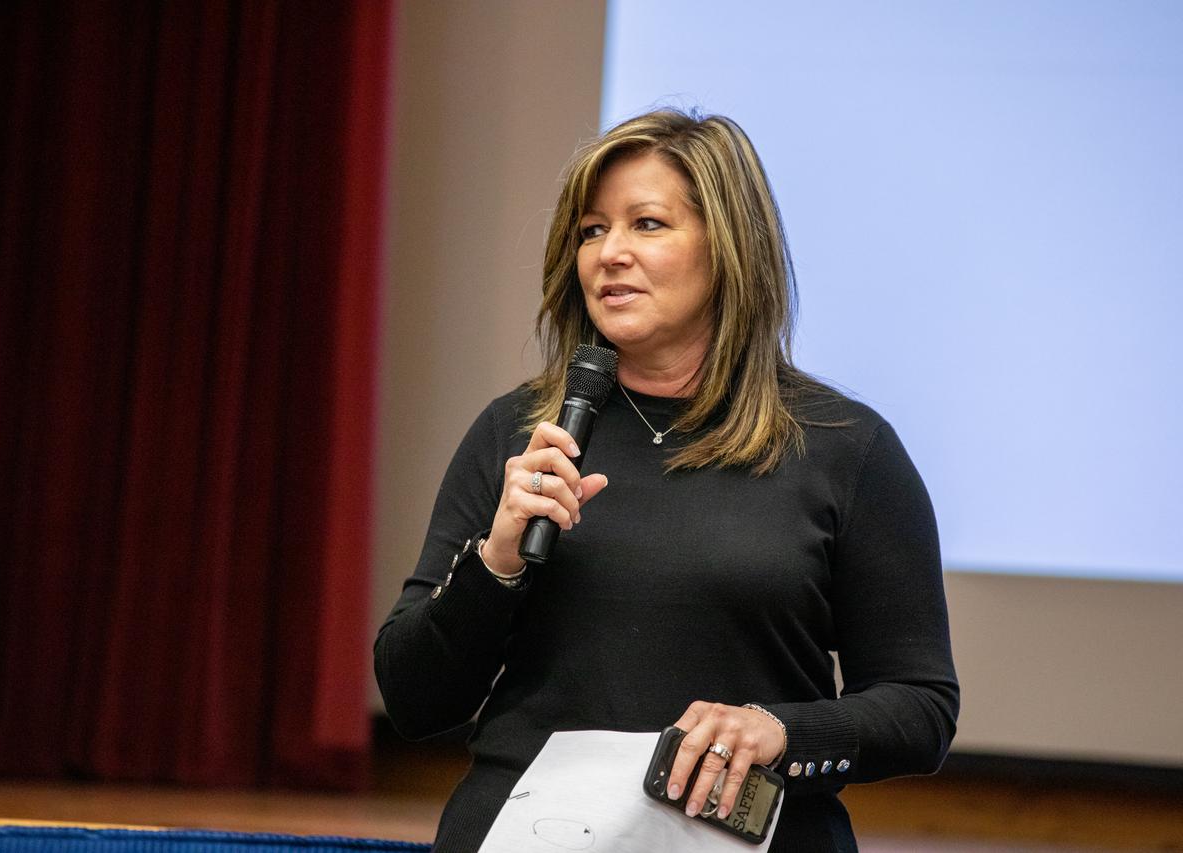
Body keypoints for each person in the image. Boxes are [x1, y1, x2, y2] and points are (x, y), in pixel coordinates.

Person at [374, 109, 959, 852]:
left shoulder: (845, 447)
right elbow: (413, 698)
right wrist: (495, 563)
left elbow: (922, 708)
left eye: (646, 224)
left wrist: (782, 729)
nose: (609, 252)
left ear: (729, 247)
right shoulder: (519, 432)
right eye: (591, 230)